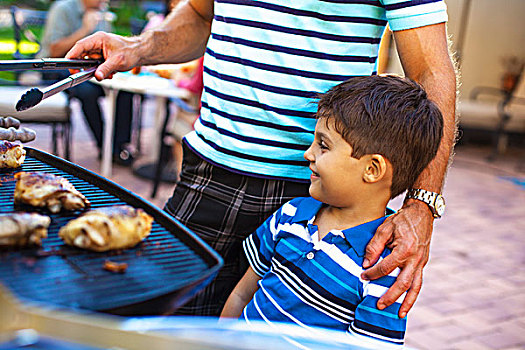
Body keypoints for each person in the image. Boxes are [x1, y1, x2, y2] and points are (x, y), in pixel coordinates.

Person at [66, 0, 457, 317]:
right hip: (209, 177)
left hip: (320, 193)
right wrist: (137, 47)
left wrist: (422, 204)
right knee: (161, 323)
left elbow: (430, 72)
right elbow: (202, 14)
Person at [220, 75, 443, 348]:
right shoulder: (290, 216)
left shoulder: (382, 272)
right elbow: (243, 295)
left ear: (372, 169)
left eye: (323, 146)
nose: (308, 154)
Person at [39, 0, 134, 165]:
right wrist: (85, 29)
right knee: (87, 92)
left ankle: (120, 146)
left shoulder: (101, 11)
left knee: (126, 89)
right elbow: (54, 50)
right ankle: (105, 146)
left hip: (88, 67)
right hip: (57, 67)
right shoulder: (63, 9)